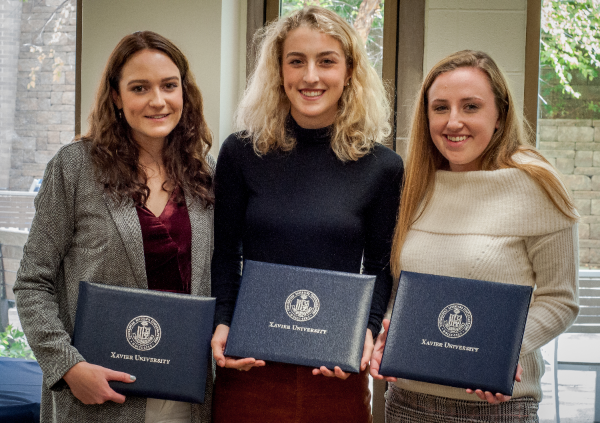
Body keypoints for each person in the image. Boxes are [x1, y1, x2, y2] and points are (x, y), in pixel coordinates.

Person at [210, 6, 403, 423]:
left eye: (326, 61)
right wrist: (224, 322)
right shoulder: (241, 152)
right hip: (250, 362)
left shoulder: (382, 167)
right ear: (279, 72)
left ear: (349, 71)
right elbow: (224, 253)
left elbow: (382, 267)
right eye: (296, 61)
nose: (310, 76)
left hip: (333, 367)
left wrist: (365, 333)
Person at [13, 31, 214, 423]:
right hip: (98, 398)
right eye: (140, 88)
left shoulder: (203, 175)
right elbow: (32, 282)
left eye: (169, 86)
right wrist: (68, 367)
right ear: (117, 98)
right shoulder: (74, 168)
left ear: (184, 94)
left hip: (186, 399)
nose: (158, 100)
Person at [370, 50, 579, 422]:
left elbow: (559, 299)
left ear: (499, 115)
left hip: (496, 406)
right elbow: (402, 289)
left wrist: (503, 350)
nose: (453, 122)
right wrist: (388, 328)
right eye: (440, 108)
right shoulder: (414, 186)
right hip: (405, 401)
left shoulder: (538, 185)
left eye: (470, 106)